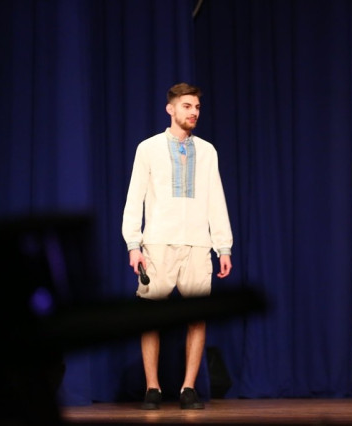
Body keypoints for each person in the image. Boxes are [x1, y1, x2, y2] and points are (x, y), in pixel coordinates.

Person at [122, 82, 233, 410]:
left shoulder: (208, 151)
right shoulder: (149, 148)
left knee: (197, 318)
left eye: (197, 107)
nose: (194, 112)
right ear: (170, 109)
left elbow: (216, 199)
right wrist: (133, 243)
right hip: (158, 242)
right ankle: (152, 388)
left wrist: (223, 246)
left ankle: (188, 388)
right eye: (187, 106)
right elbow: (134, 198)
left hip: (197, 244)